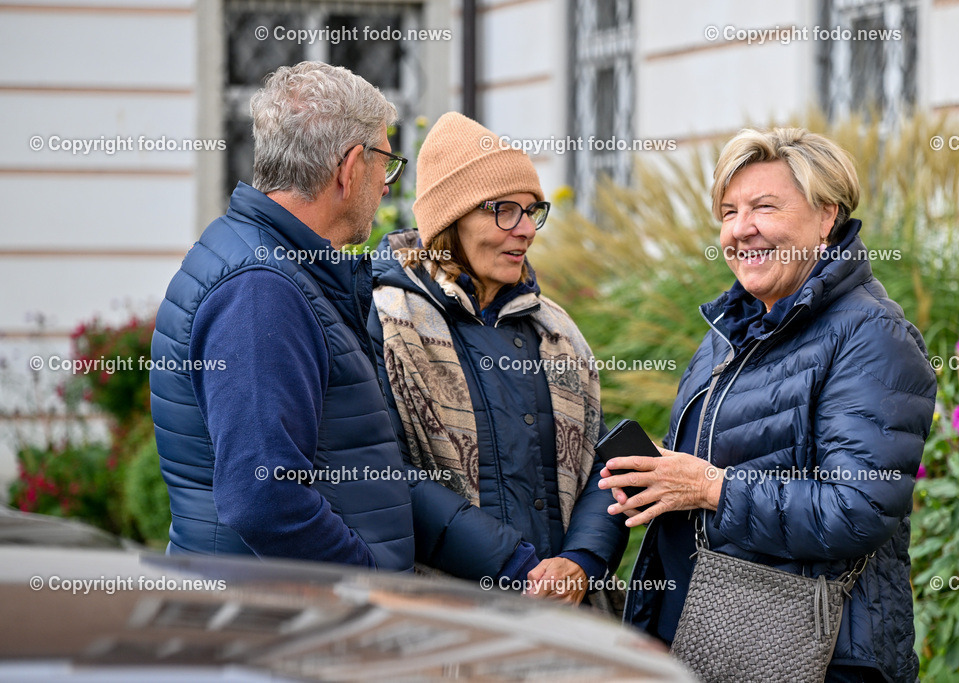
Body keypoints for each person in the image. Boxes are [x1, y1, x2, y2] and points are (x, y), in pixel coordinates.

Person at [600, 128, 936, 681]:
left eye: (764, 206)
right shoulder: (737, 326)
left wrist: (710, 486)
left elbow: (858, 509)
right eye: (729, 211)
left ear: (826, 216)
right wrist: (664, 468)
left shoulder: (872, 335)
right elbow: (735, 456)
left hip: (819, 656)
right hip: (712, 638)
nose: (740, 229)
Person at [150, 61, 415, 570]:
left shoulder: (265, 263)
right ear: (350, 166)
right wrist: (367, 590)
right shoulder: (259, 290)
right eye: (387, 161)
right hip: (273, 632)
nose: (388, 185)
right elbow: (264, 501)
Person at [368, 112, 628, 603]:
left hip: (563, 624)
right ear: (450, 221)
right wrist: (514, 566)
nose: (526, 230)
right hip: (447, 626)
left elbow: (602, 461)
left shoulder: (557, 331)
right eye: (504, 210)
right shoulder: (387, 322)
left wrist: (581, 561)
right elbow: (383, 472)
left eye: (532, 211)